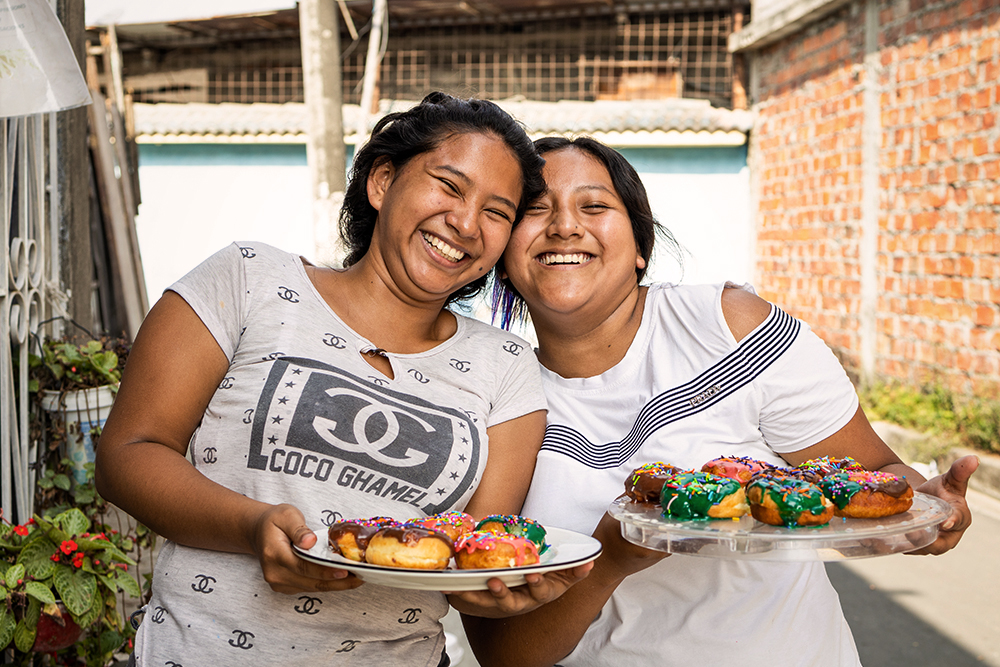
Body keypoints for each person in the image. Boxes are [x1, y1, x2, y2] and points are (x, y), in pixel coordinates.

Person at [95, 93, 589, 666]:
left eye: (497, 212)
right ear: (382, 182)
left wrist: (513, 592)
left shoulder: (505, 365)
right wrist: (253, 527)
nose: (466, 223)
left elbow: (466, 558)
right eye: (449, 187)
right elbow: (128, 455)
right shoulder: (249, 279)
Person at [460, 136, 978, 667]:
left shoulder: (729, 329)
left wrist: (930, 509)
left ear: (640, 248)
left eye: (594, 206)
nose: (565, 225)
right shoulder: (494, 393)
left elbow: (876, 474)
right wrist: (612, 556)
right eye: (535, 209)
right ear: (502, 257)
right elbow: (505, 655)